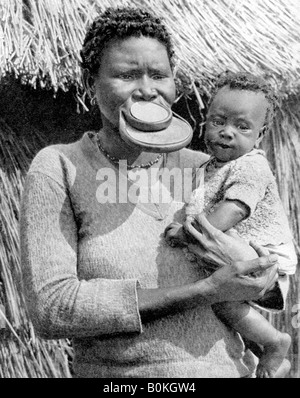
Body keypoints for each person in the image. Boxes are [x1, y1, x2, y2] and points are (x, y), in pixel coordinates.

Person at [20, 7, 285, 378]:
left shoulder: (210, 168)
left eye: (159, 75)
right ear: (89, 81)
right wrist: (205, 290)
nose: (147, 89)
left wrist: (263, 274)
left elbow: (271, 278)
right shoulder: (61, 167)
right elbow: (53, 308)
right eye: (128, 75)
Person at [165, 72, 297, 378]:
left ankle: (275, 342)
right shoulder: (209, 167)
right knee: (220, 301)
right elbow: (200, 200)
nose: (227, 132)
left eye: (241, 126)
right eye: (218, 122)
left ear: (260, 135)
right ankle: (263, 355)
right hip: (237, 252)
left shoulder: (252, 165)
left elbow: (235, 209)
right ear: (205, 121)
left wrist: (188, 233)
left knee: (221, 300)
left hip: (264, 256)